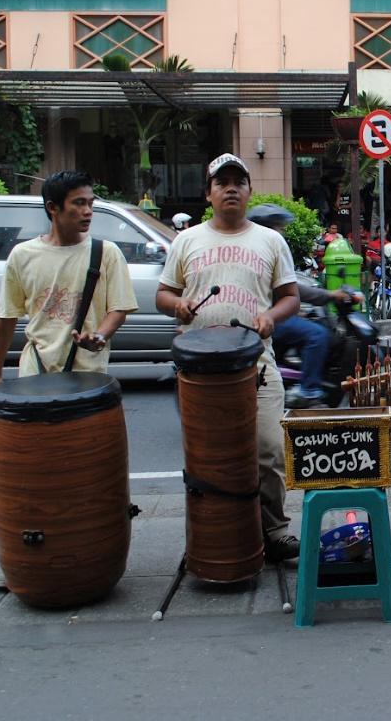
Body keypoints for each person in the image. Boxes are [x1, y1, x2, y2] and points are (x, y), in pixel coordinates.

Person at [155, 153, 302, 563]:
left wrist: (270, 316)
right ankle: (216, 538)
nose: (232, 188)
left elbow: (290, 297)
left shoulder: (270, 240)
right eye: (223, 182)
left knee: (269, 450)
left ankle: (274, 531)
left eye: (239, 181)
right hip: (201, 375)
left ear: (250, 190)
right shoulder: (186, 241)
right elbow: (162, 295)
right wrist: (179, 305)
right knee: (210, 460)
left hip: (257, 366)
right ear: (209, 193)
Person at [0, 171, 138, 398]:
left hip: (88, 374)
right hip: (35, 369)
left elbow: (119, 310)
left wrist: (100, 336)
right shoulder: (23, 255)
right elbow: (6, 317)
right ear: (53, 207)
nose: (88, 211)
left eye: (90, 203)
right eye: (79, 203)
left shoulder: (106, 253)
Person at [249, 204, 358, 409]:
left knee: (310, 322)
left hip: (269, 314)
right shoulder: (263, 252)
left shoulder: (265, 249)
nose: (281, 231)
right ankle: (309, 390)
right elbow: (294, 290)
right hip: (263, 319)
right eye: (278, 227)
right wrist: (329, 296)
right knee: (317, 335)